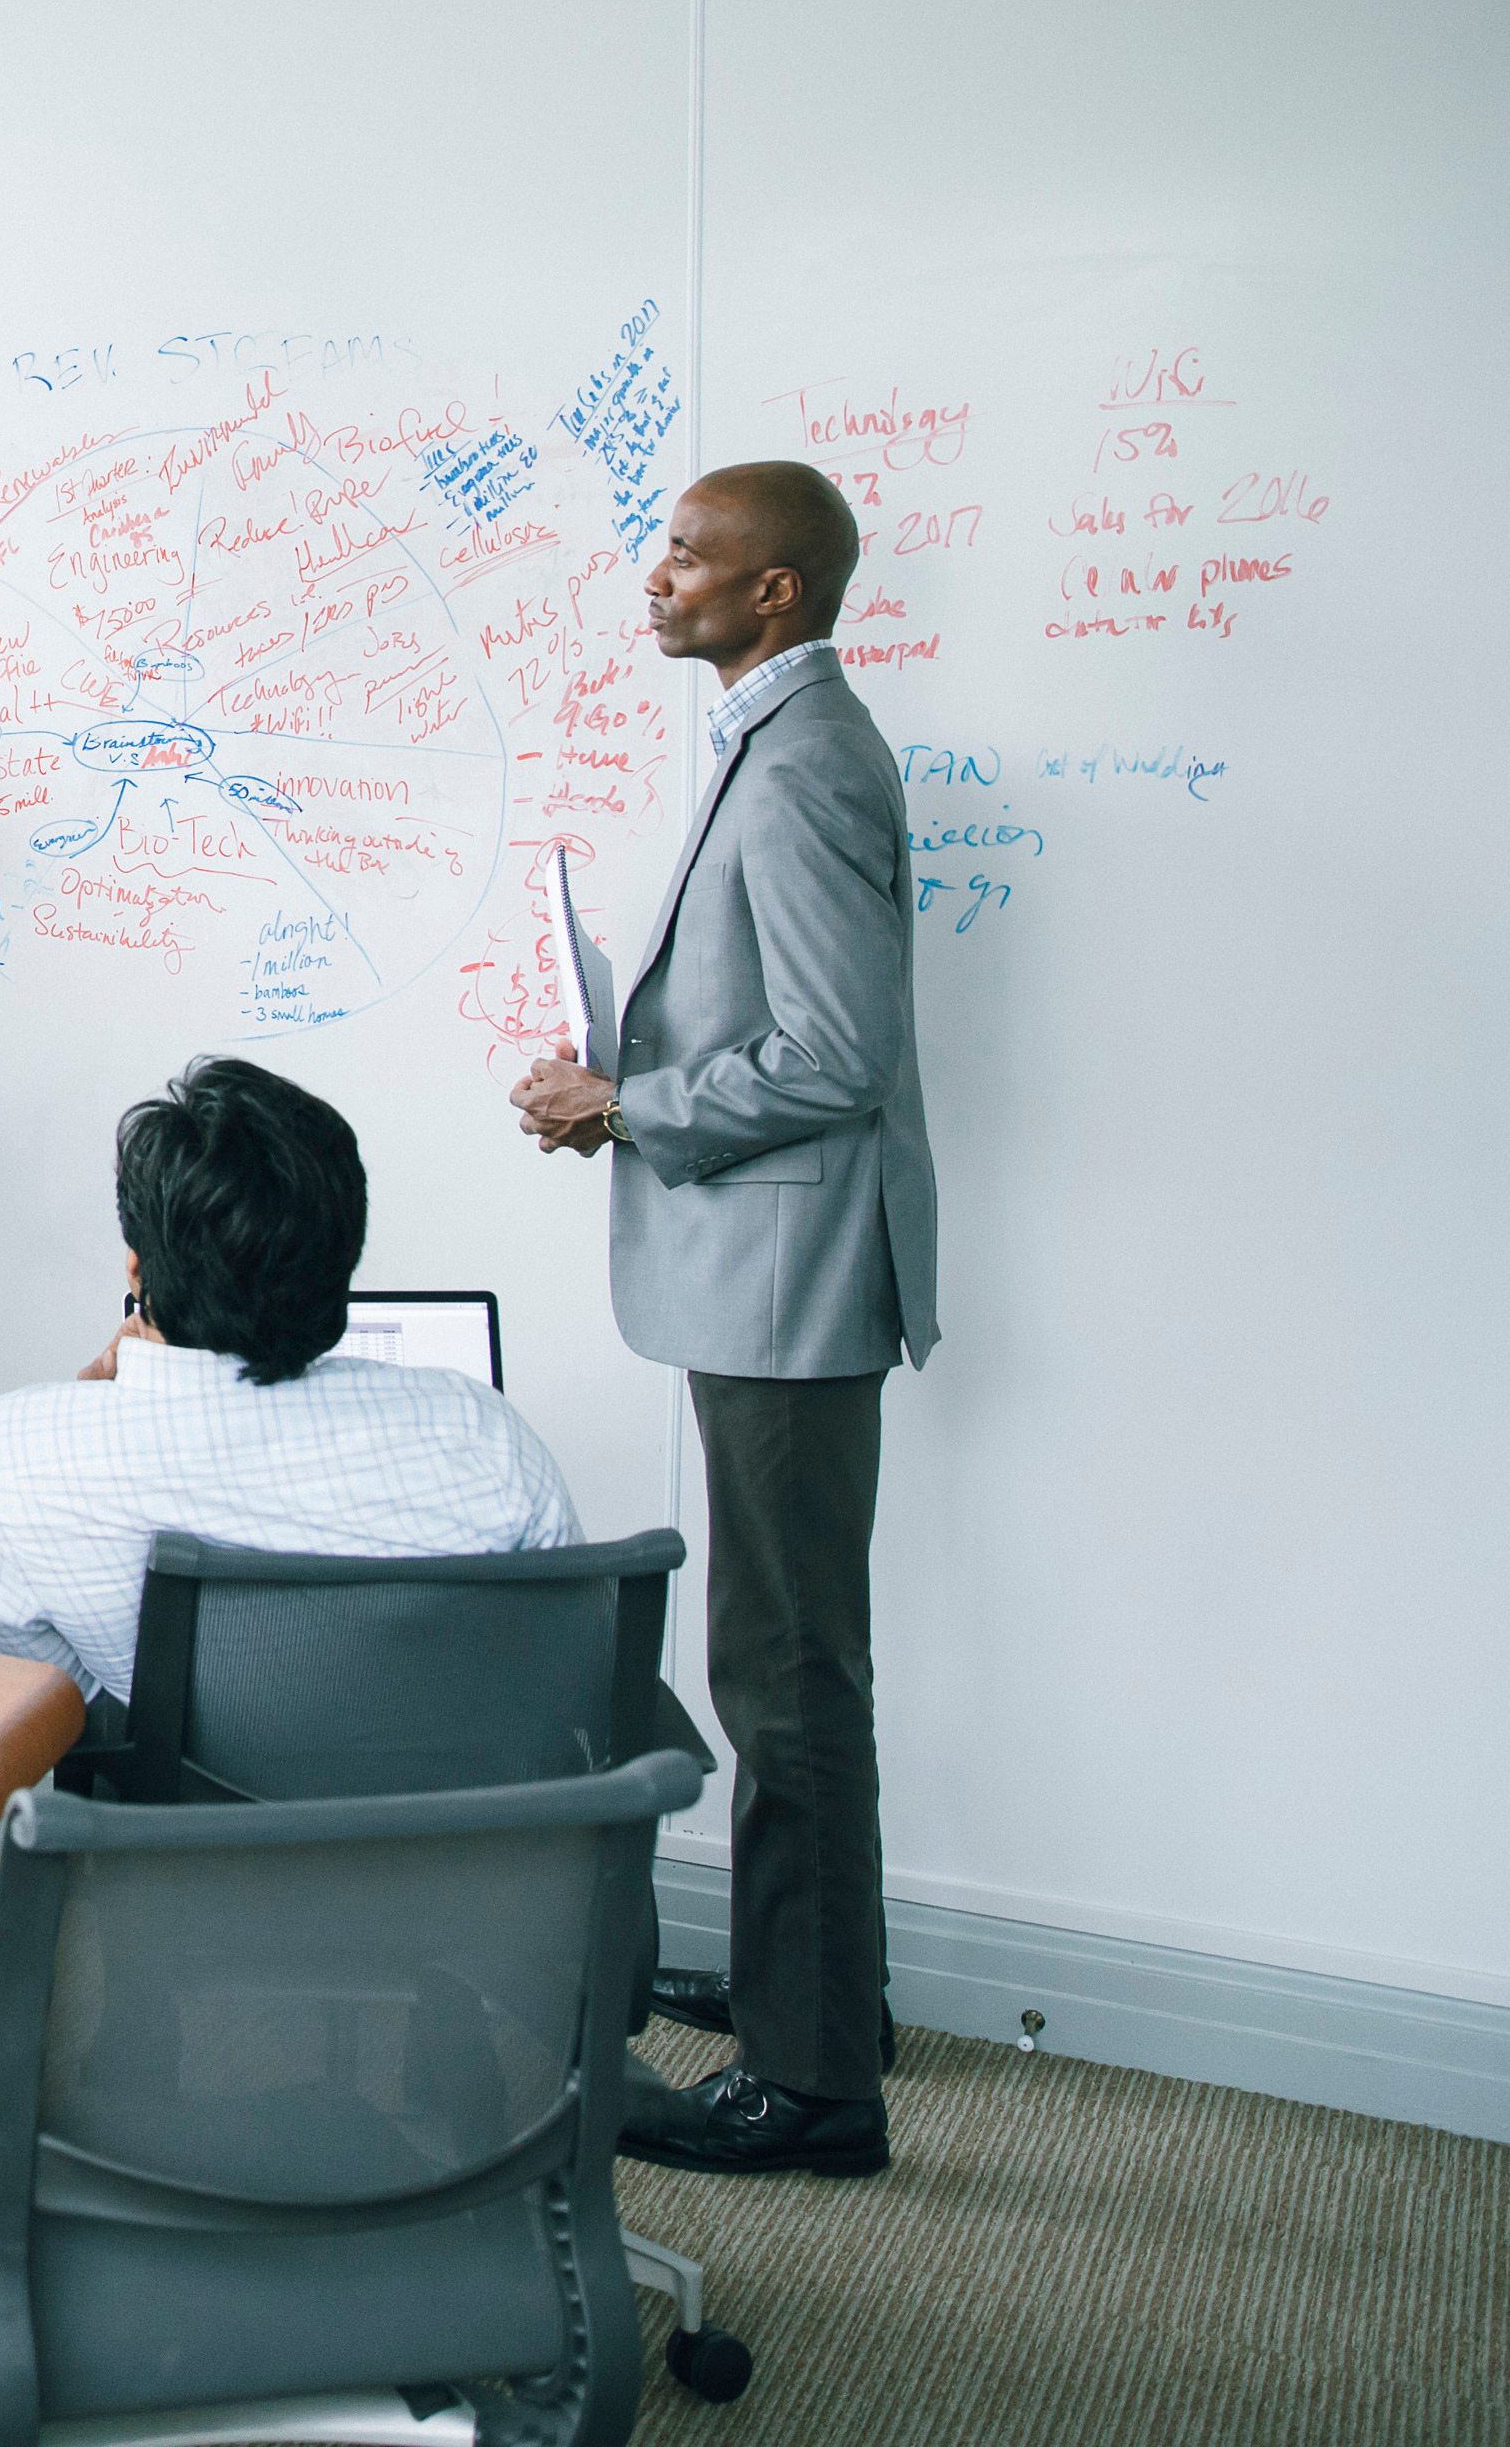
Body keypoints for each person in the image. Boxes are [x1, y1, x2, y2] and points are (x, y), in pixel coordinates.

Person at [507, 457, 936, 2183]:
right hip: (765, 1278)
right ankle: (817, 1991)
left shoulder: (813, 758)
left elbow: (836, 1055)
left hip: (788, 1289)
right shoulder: (774, 739)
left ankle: (815, 2080)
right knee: (787, 1662)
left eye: (690, 555)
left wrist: (629, 1105)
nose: (655, 575)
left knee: (786, 1678)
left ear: (777, 592)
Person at [0, 1053, 580, 1703]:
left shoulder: (12, 1458)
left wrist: (76, 1427)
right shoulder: (483, 1437)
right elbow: (559, 1676)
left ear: (137, 1269)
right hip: (453, 1803)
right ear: (343, 1260)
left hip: (190, 1806)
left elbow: (65, 1709)